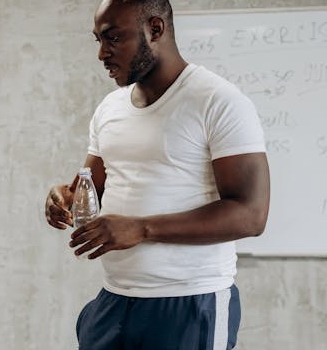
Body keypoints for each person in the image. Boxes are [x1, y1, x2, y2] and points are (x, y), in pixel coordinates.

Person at [44, 1, 270, 349]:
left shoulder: (217, 101)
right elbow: (89, 189)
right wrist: (64, 198)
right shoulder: (109, 109)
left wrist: (142, 227)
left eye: (113, 38)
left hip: (190, 303)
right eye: (98, 41)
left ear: (155, 29)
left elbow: (251, 215)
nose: (102, 53)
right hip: (113, 302)